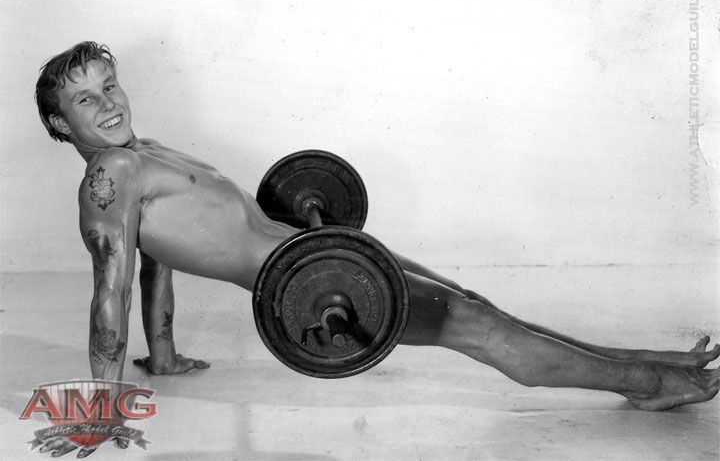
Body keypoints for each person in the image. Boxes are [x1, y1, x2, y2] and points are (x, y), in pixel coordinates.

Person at [33, 42, 719, 457]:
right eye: (85, 101)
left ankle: (646, 363)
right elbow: (109, 289)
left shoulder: (141, 153)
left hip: (321, 252)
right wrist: (101, 406)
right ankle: (650, 385)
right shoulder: (110, 176)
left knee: (474, 304)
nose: (108, 103)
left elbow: (156, 264)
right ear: (61, 126)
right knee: (478, 328)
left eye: (109, 85)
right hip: (307, 281)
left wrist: (165, 355)